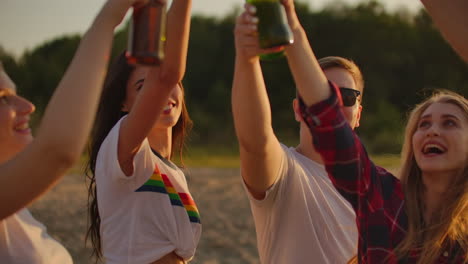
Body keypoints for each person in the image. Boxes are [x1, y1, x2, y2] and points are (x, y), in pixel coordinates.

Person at [244, 0, 466, 263]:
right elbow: (327, 124)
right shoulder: (382, 198)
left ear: (359, 113)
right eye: (423, 124)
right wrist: (290, 29)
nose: (432, 131)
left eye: (449, 122)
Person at [0, 0, 145, 262]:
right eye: (2, 98)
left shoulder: (15, 212)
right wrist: (108, 18)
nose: (28, 106)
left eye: (15, 94)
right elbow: (58, 151)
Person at [232, 4, 366, 263]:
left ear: (358, 113)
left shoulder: (374, 189)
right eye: (322, 94)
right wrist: (247, 59)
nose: (333, 104)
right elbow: (255, 140)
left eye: (346, 97)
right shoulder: (286, 171)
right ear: (297, 109)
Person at [85, 0, 200, 263]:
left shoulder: (171, 172)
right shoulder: (123, 152)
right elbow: (165, 75)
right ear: (124, 103)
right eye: (142, 86)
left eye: (173, 85)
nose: (160, 93)